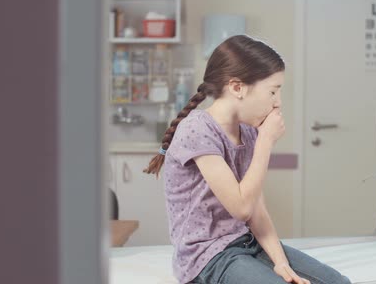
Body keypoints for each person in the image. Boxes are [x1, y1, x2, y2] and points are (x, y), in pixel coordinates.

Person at [144, 35, 351, 284]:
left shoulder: (250, 132)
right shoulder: (197, 129)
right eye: (272, 91)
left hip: (246, 243)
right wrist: (266, 142)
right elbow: (241, 208)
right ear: (237, 87)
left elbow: (256, 211)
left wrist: (281, 263)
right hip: (208, 257)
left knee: (337, 282)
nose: (278, 103)